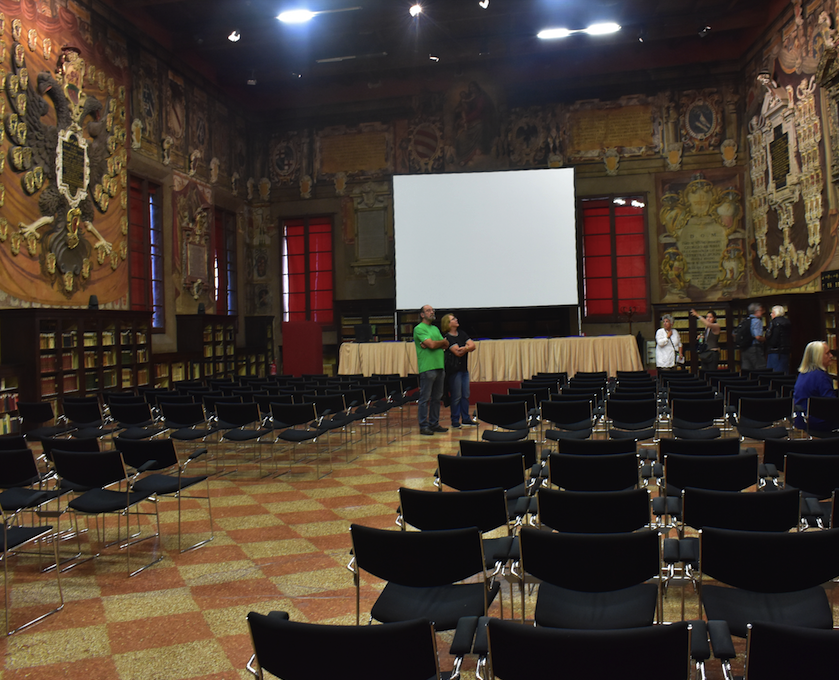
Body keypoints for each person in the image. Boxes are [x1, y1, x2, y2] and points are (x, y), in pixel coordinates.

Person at [413, 305, 449, 436]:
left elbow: (446, 344)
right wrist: (437, 343)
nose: (432, 312)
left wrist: (435, 343)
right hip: (427, 368)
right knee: (425, 398)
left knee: (437, 398)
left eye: (432, 310)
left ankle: (434, 423)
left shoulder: (434, 328)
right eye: (428, 310)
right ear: (422, 314)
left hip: (440, 366)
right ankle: (423, 425)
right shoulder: (419, 328)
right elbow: (434, 344)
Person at [440, 313, 476, 428]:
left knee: (465, 394)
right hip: (454, 371)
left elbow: (473, 346)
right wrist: (467, 348)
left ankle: (466, 419)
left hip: (464, 370)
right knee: (456, 396)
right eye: (453, 319)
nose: (456, 320)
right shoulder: (447, 337)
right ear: (448, 324)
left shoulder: (462, 333)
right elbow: (457, 352)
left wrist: (464, 348)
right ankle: (455, 420)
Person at [792, 341, 836, 430]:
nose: (831, 356)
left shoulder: (803, 374)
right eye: (827, 353)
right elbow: (832, 405)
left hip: (801, 420)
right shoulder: (821, 377)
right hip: (818, 422)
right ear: (818, 357)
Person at [765, 305, 792, 373]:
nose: (771, 314)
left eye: (772, 313)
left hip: (775, 352)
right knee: (784, 372)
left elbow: (772, 339)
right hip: (785, 351)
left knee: (773, 374)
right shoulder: (788, 322)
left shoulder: (774, 323)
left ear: (776, 313)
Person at [741, 302, 766, 371]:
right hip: (754, 348)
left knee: (747, 370)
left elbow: (734, 333)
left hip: (744, 348)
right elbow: (758, 337)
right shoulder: (757, 321)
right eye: (761, 310)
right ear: (756, 311)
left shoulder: (744, 321)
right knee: (760, 368)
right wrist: (766, 339)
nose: (763, 312)